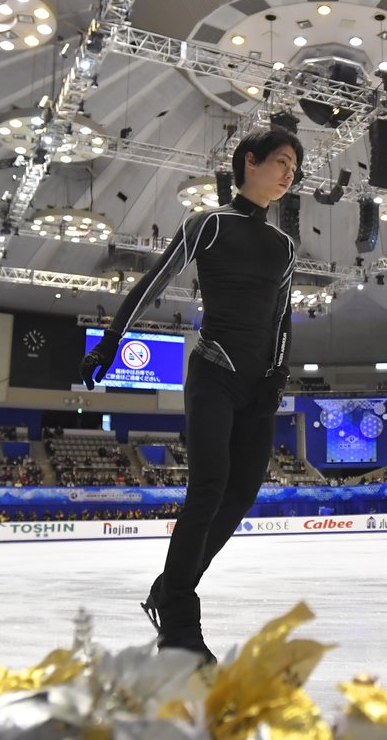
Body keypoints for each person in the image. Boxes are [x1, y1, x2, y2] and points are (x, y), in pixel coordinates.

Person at [79, 126, 303, 663]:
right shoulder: (208, 223)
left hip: (259, 386)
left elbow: (283, 316)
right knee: (209, 487)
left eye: (294, 168)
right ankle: (180, 622)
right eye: (281, 161)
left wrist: (278, 374)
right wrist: (112, 341)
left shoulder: (285, 245)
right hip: (213, 371)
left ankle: (168, 588)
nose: (289, 174)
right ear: (249, 161)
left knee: (242, 493)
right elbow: (154, 282)